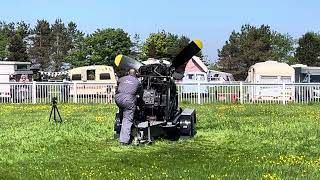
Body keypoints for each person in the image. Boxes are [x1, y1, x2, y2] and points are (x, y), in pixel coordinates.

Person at [115, 69, 142, 145]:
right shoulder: (137, 82)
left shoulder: (122, 78)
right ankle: (124, 141)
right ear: (136, 74)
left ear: (128, 73)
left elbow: (118, 86)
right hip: (128, 100)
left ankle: (118, 129)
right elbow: (140, 93)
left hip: (118, 98)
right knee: (127, 119)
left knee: (122, 111)